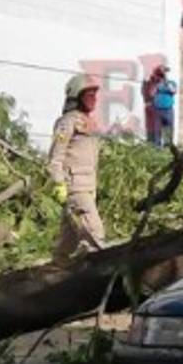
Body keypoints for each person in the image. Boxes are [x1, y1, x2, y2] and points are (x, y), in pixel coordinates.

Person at [48, 74, 104, 261]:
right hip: (75, 188)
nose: (93, 99)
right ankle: (100, 272)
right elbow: (55, 157)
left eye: (95, 95)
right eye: (89, 95)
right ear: (77, 97)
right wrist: (58, 183)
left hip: (89, 187)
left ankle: (55, 270)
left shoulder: (90, 123)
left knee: (68, 242)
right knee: (94, 234)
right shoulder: (67, 122)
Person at [152, 66, 177, 146]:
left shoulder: (172, 83)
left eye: (164, 73)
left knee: (168, 129)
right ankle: (157, 147)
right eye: (161, 74)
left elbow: (173, 91)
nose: (162, 75)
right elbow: (152, 94)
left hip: (168, 110)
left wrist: (166, 81)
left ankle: (168, 146)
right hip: (157, 110)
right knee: (157, 130)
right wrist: (156, 83)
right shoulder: (155, 84)